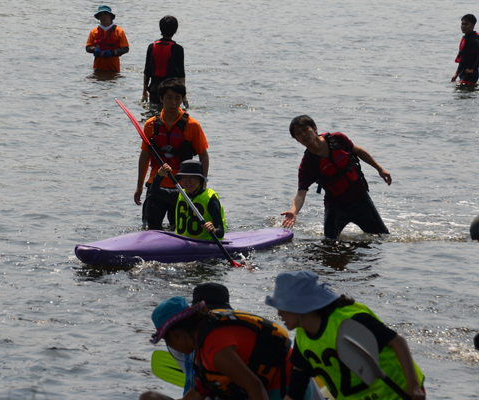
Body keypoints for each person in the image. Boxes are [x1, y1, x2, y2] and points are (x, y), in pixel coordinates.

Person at [265, 270, 426, 400]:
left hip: (398, 392)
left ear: (300, 305)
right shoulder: (302, 338)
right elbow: (296, 391)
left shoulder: (348, 319)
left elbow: (397, 342)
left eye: (282, 306)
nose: (279, 313)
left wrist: (413, 387)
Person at [144, 295, 310, 400]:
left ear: (174, 335)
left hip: (286, 390)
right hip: (268, 386)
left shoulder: (215, 348)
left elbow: (255, 387)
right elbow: (199, 392)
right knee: (148, 398)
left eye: (167, 341)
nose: (172, 347)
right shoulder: (203, 342)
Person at [281, 115, 391, 239]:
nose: (304, 134)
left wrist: (379, 168)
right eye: (298, 133)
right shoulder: (307, 165)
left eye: (306, 129)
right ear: (297, 140)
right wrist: (293, 211)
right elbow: (301, 193)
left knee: (383, 238)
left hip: (361, 200)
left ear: (315, 128)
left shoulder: (336, 139)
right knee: (329, 244)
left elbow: (357, 151)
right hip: (336, 207)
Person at [135, 78, 209, 230]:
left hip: (183, 187)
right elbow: (144, 156)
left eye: (178, 98)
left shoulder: (192, 126)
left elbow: (203, 155)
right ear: (161, 99)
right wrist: (139, 186)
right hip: (155, 186)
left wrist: (202, 184)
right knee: (149, 227)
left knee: (179, 229)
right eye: (169, 98)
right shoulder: (150, 125)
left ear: (182, 100)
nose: (173, 103)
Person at [140, 282, 233, 400]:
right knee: (148, 397)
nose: (212, 320)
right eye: (208, 315)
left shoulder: (220, 345)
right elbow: (199, 388)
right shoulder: (182, 343)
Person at [151, 161, 225, 240]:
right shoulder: (179, 194)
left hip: (205, 245)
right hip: (182, 243)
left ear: (200, 179)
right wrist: (160, 174)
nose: (187, 181)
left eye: (192, 177)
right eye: (184, 177)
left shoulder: (210, 198)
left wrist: (213, 230)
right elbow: (154, 191)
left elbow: (220, 232)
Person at [142, 16, 188, 108]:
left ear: (160, 28)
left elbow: (147, 71)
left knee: (153, 116)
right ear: (175, 30)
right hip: (172, 91)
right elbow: (181, 74)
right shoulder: (178, 49)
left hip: (155, 89)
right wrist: (184, 96)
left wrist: (144, 92)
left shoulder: (151, 47)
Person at [85, 5, 129, 72]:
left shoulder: (119, 31)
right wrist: (94, 49)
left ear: (110, 16)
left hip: (114, 69)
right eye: (101, 15)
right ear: (98, 18)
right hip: (97, 68)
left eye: (105, 15)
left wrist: (112, 52)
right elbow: (88, 47)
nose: (103, 17)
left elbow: (126, 49)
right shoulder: (94, 32)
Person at [451, 14, 479, 86]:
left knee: (463, 95)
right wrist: (456, 74)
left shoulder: (474, 40)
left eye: (466, 24)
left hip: (469, 75)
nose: (463, 26)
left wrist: (473, 70)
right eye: (462, 24)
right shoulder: (466, 38)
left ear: (473, 26)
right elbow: (463, 58)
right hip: (463, 73)